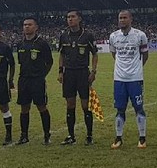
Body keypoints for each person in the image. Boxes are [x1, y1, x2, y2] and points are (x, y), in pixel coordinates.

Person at [108, 10, 149, 149]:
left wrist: (136, 69)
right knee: (120, 109)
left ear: (131, 19)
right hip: (119, 79)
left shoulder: (140, 35)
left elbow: (145, 55)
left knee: (138, 107)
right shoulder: (113, 36)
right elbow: (114, 54)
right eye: (120, 18)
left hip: (135, 78)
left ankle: (142, 138)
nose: (122, 20)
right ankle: (118, 138)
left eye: (125, 18)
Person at [58, 10, 98, 145]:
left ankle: (89, 135)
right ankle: (71, 136)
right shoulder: (63, 36)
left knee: (85, 105)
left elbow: (95, 54)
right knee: (70, 104)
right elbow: (62, 55)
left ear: (79, 19)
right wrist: (60, 71)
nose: (70, 19)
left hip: (82, 73)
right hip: (68, 73)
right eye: (68, 17)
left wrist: (93, 71)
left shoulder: (87, 36)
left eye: (73, 17)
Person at [16, 17, 54, 145]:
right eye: (25, 24)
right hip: (24, 80)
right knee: (24, 108)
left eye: (29, 24)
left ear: (36, 27)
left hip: (37, 80)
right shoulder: (20, 44)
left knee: (41, 106)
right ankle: (24, 136)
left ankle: (47, 135)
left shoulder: (42, 43)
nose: (27, 27)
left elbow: (49, 62)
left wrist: (42, 75)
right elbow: (20, 62)